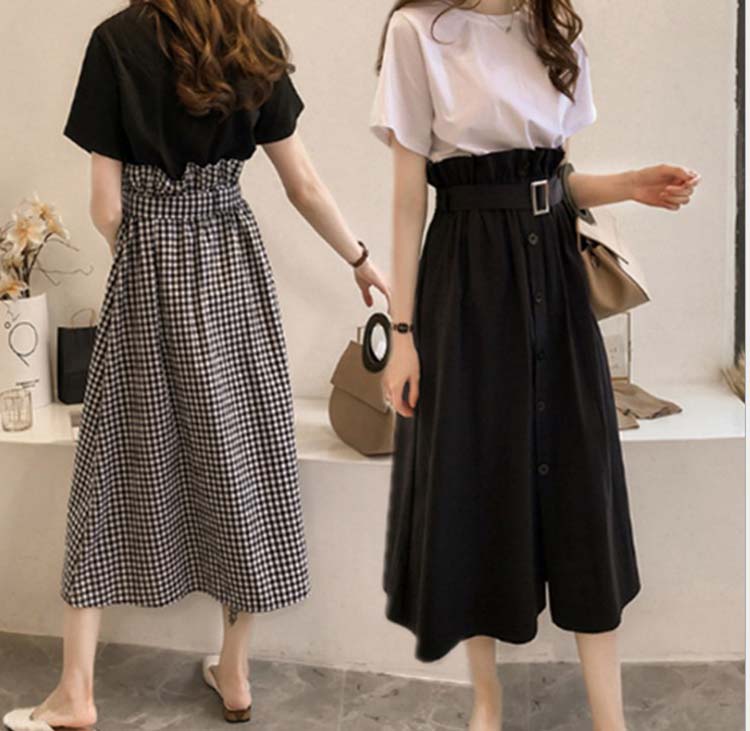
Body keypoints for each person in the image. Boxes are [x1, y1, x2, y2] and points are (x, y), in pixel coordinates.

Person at [3, 1, 388, 729]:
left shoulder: (115, 40)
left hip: (147, 269)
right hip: (232, 267)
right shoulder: (252, 36)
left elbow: (106, 207)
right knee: (243, 458)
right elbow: (302, 183)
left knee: (109, 466)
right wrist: (359, 259)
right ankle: (235, 673)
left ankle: (77, 691)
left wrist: (146, 266)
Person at [370, 1, 700, 729]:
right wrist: (403, 331)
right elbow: (407, 200)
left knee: (583, 477)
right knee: (478, 478)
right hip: (468, 277)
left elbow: (554, 180)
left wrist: (631, 184)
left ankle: (609, 717)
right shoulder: (417, 31)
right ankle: (486, 701)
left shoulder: (552, 28)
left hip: (554, 270)